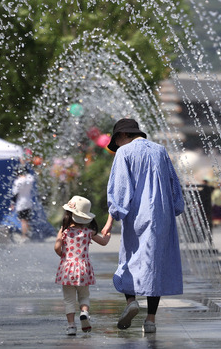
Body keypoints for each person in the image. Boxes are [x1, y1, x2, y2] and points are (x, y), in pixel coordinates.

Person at [101, 118, 185, 334]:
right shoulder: (160, 150)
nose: (116, 146)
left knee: (129, 260)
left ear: (122, 136)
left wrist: (112, 218)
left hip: (138, 215)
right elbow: (174, 184)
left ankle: (131, 302)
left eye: (116, 141)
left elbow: (120, 189)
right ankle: (150, 320)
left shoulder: (124, 152)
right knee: (154, 264)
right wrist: (174, 208)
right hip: (162, 215)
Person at [54, 195, 111, 335]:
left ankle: (71, 326)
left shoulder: (64, 231)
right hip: (83, 269)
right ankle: (84, 312)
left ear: (69, 214)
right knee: (84, 296)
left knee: (69, 299)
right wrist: (107, 232)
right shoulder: (88, 232)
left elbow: (57, 248)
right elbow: (104, 242)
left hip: (67, 268)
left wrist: (63, 255)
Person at [11, 164, 35, 241]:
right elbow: (30, 176)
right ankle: (28, 234)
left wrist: (12, 203)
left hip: (21, 203)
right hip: (28, 201)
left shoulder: (18, 182)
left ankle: (24, 236)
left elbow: (15, 193)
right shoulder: (29, 179)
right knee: (27, 219)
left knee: (23, 220)